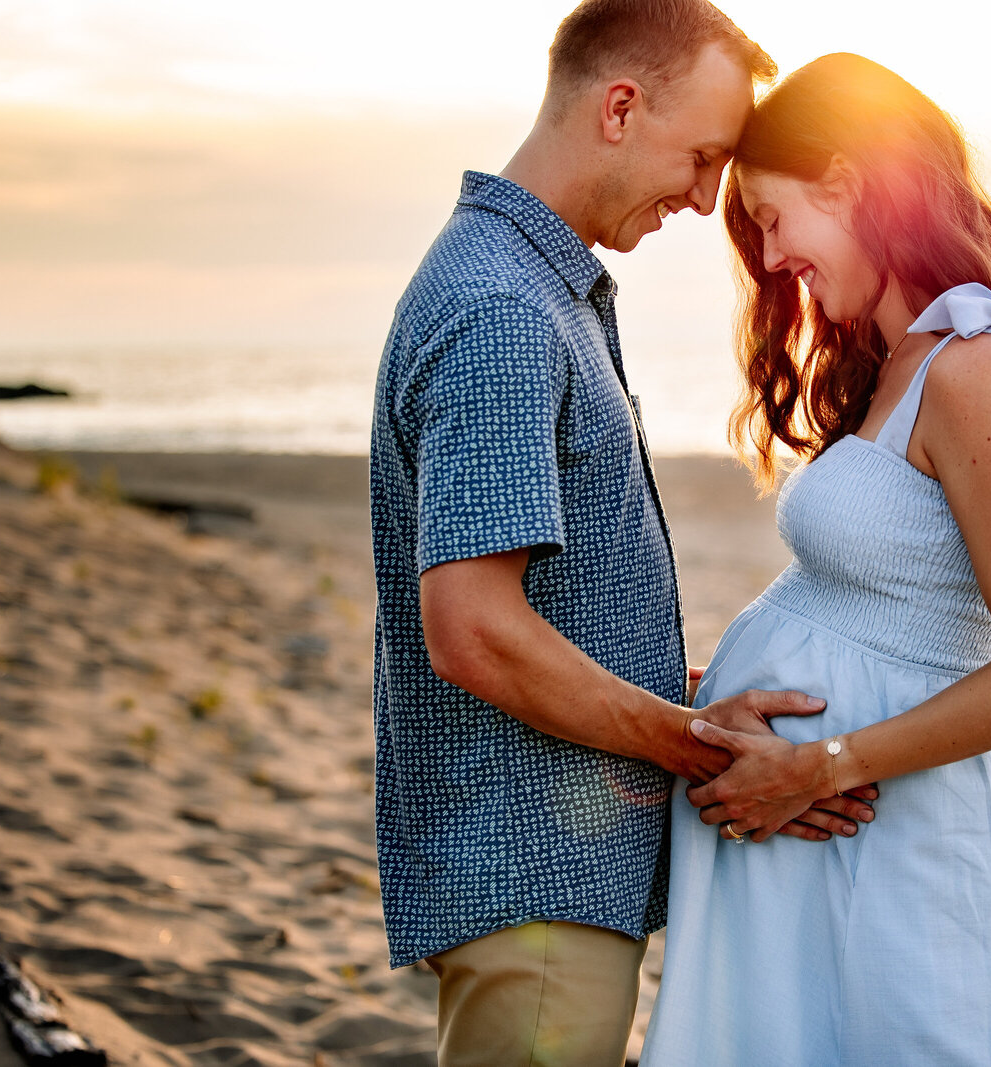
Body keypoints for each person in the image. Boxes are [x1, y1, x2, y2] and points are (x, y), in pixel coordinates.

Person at [367, 4, 882, 1065]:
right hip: (535, 877)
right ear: (617, 107)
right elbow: (472, 628)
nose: (703, 199)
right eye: (701, 158)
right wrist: (694, 742)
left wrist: (688, 691)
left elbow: (539, 612)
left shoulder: (526, 289)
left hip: (543, 879)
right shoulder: (502, 309)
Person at [640, 53, 991, 1065]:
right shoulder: (895, 367)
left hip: (895, 843)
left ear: (845, 182)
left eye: (769, 214)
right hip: (816, 835)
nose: (768, 251)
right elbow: (873, 608)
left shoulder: (976, 365)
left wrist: (813, 766)